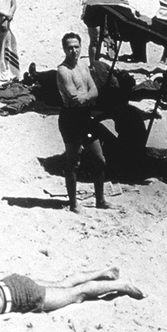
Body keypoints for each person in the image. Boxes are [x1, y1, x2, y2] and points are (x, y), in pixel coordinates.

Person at [0, 259, 144, 329]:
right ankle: (104, 273)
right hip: (11, 285)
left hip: (21, 296)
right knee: (62, 283)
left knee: (76, 295)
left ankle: (122, 285)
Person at [56, 32, 110, 213]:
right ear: (64, 49)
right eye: (70, 47)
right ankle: (73, 203)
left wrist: (87, 96)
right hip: (71, 118)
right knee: (73, 162)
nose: (74, 51)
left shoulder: (83, 65)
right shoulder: (63, 70)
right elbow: (74, 98)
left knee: (99, 160)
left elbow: (94, 90)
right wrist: (89, 96)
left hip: (85, 117)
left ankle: (100, 200)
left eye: (77, 47)